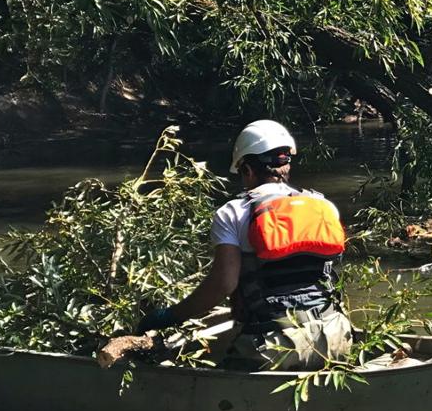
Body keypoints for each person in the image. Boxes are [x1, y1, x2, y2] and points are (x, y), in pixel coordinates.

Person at [137, 120, 353, 370]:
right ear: (286, 165)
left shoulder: (234, 212)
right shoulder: (324, 205)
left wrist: (171, 316)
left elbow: (222, 284)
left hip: (272, 347)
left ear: (248, 169)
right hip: (336, 336)